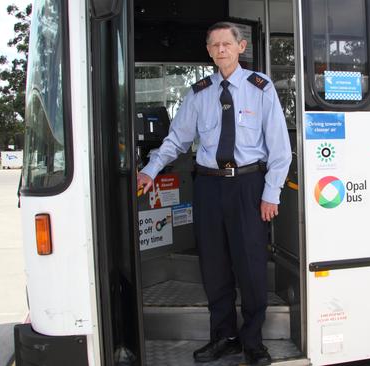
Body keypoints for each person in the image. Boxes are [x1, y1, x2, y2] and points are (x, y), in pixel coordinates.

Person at [137, 22, 291, 366]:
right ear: (208, 51)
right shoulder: (198, 93)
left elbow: (281, 149)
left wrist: (271, 194)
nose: (221, 50)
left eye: (227, 44)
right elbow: (177, 139)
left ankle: (253, 342)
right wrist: (150, 169)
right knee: (214, 267)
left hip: (248, 186)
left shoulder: (261, 88)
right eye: (214, 45)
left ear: (241, 47)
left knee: (250, 266)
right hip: (207, 186)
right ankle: (224, 337)